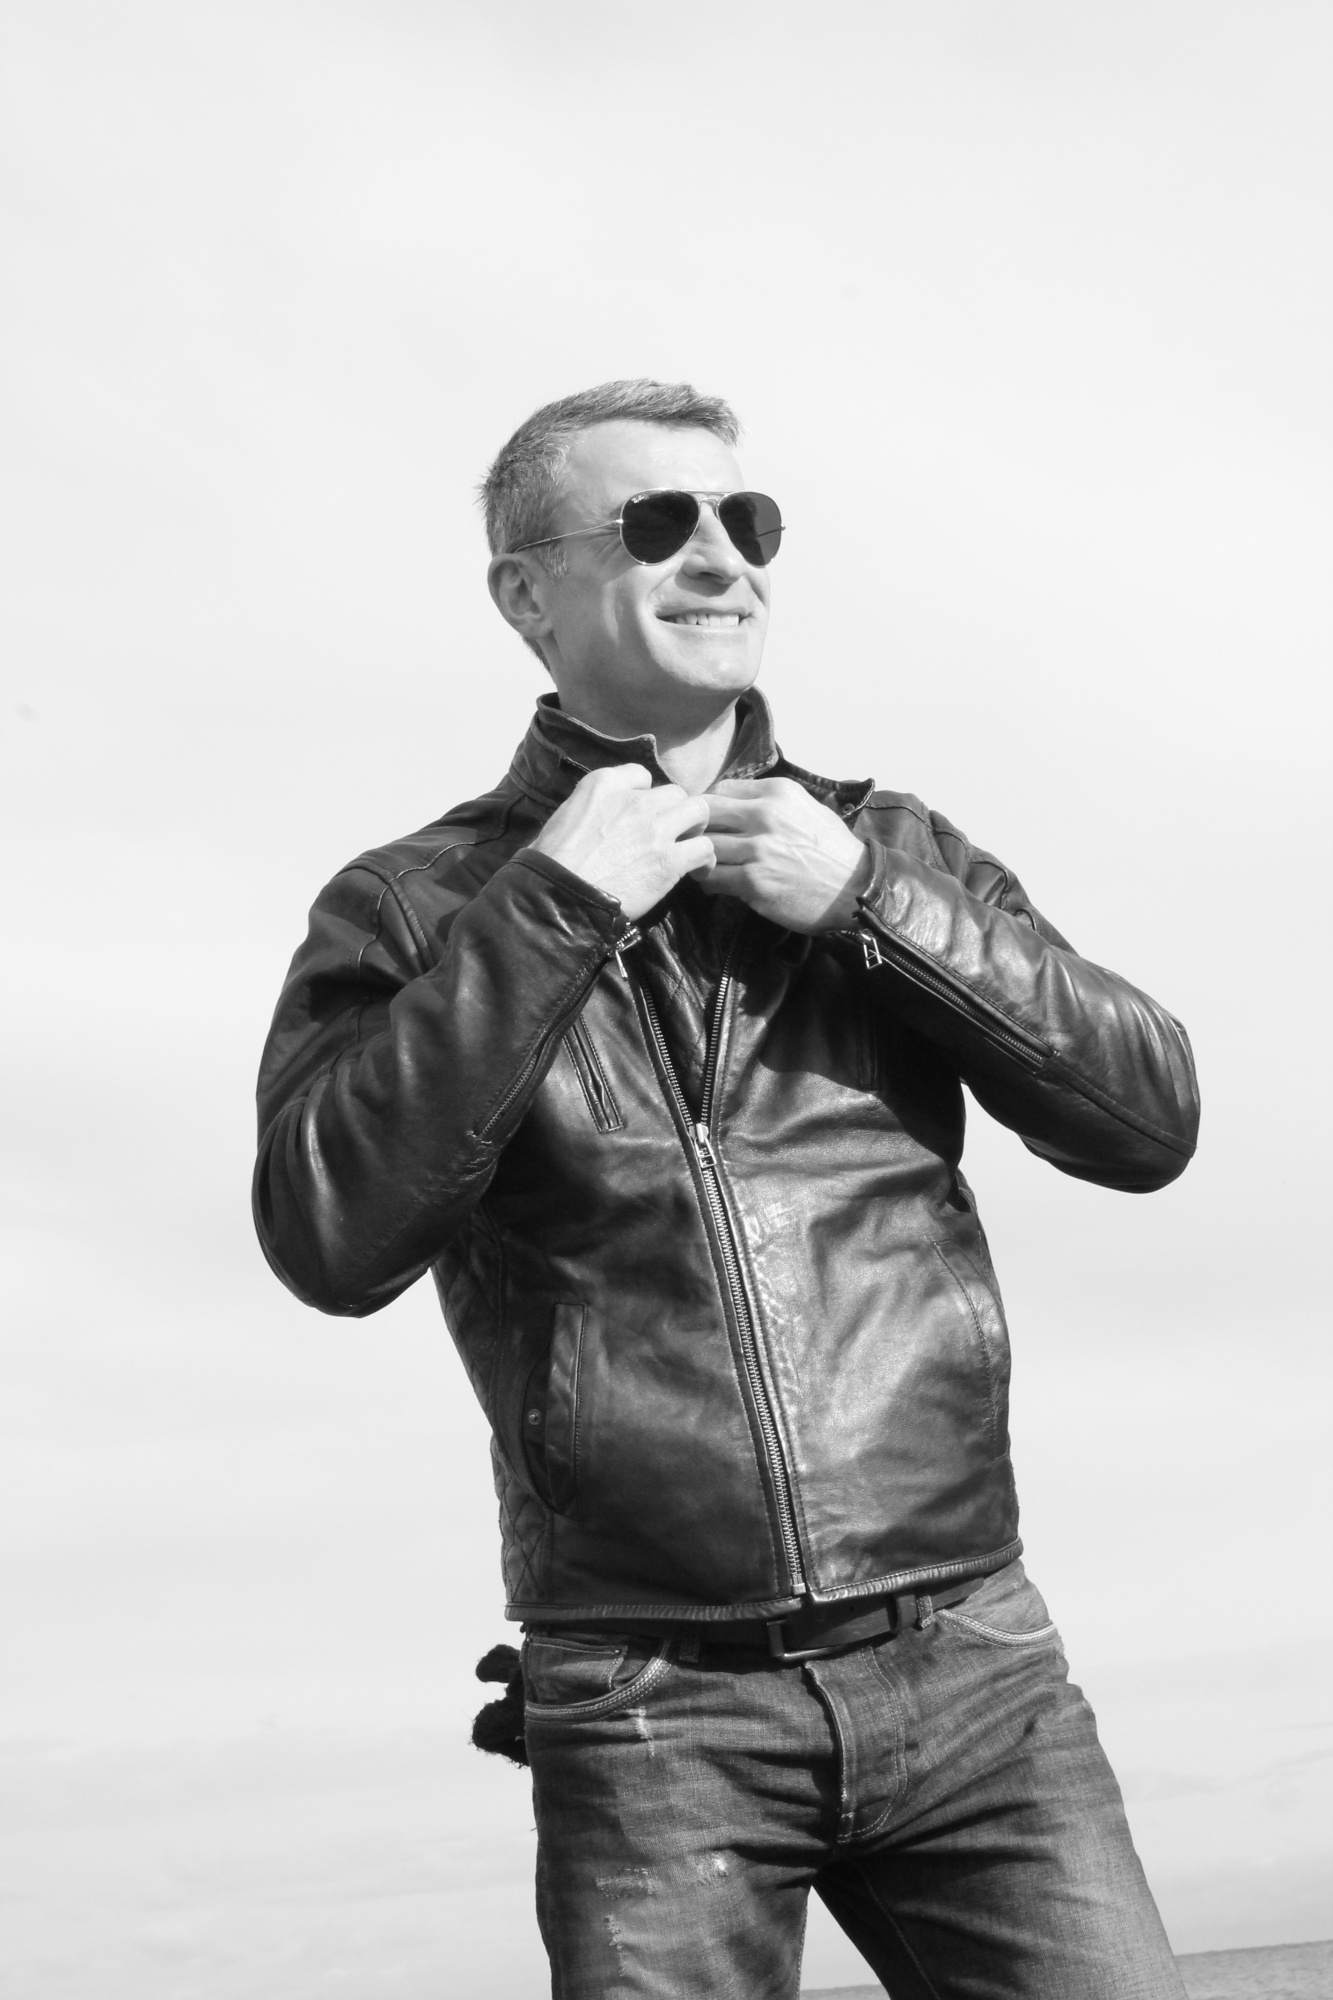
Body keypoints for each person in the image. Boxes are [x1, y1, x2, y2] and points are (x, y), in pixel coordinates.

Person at [253, 378, 1200, 1999]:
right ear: (525, 595)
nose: (720, 557)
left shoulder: (891, 846)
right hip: (647, 1706)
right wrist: (552, 909)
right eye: (655, 523)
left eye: (744, 520)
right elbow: (328, 1234)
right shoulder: (417, 905)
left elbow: (1146, 1117)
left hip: (974, 1663)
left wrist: (871, 905)